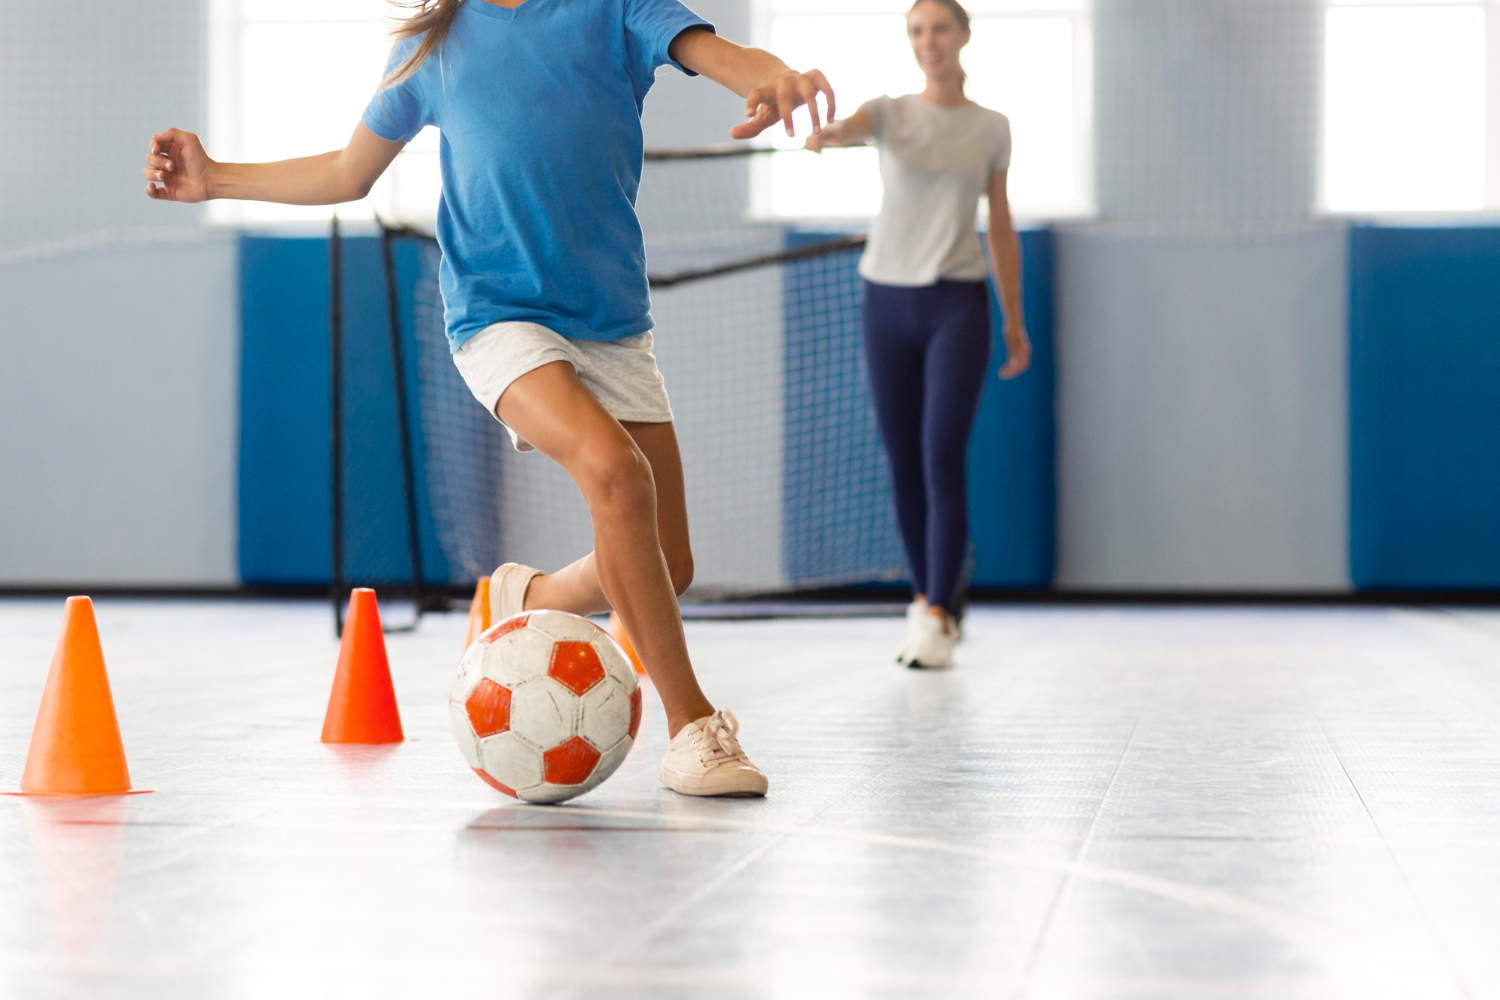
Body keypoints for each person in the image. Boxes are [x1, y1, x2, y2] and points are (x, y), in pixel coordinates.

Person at [143, 0, 835, 795]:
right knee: (616, 473)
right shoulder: (430, 46)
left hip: (612, 324)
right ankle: (695, 728)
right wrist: (216, 178)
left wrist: (775, 75)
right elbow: (348, 171)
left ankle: (535, 595)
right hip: (496, 317)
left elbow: (713, 52)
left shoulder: (612, 9)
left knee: (665, 564)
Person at [806, 0, 1029, 670]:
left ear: (963, 36)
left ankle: (938, 610)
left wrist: (1013, 318)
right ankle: (924, 599)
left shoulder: (992, 127)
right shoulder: (891, 111)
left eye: (939, 29)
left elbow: (1001, 224)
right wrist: (827, 133)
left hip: (956, 303)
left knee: (940, 458)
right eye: (916, 31)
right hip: (886, 303)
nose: (928, 41)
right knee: (903, 462)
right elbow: (849, 127)